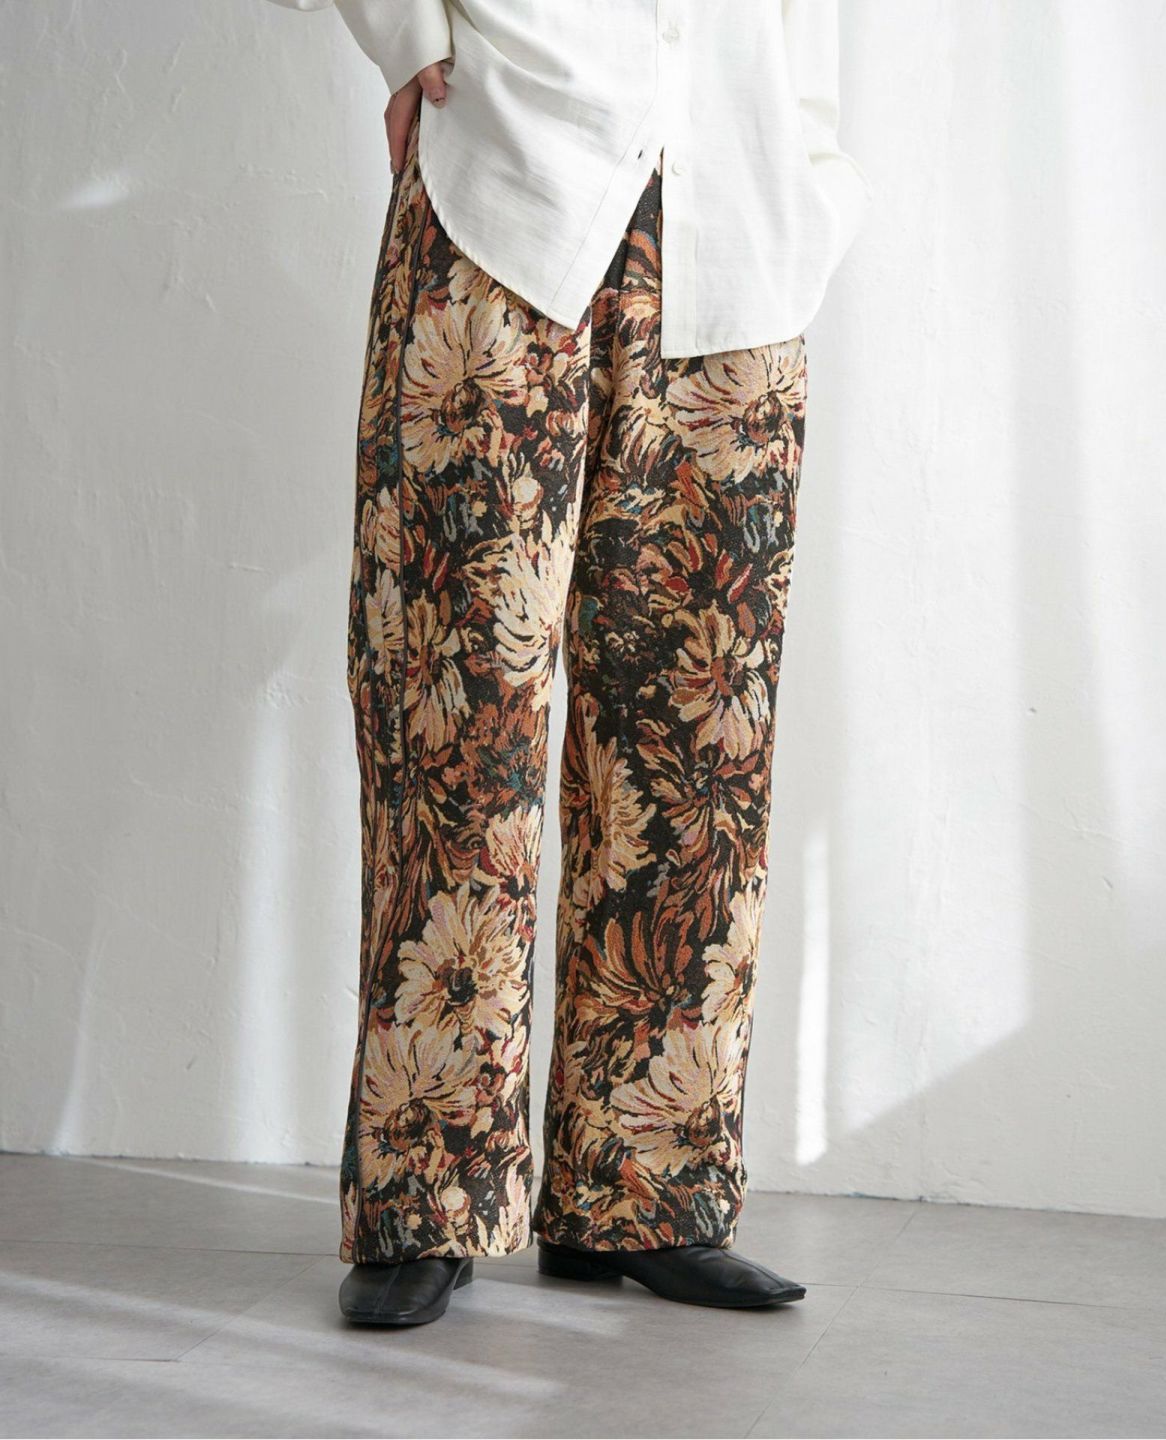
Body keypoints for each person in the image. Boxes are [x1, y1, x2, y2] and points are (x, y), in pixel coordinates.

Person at [264, 0, 872, 1326]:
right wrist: (406, 33)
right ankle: (428, 1193)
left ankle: (642, 1194)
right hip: (506, 195)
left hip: (740, 231)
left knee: (696, 751)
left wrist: (813, 171)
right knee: (455, 713)